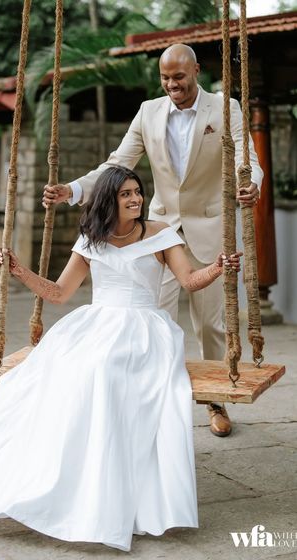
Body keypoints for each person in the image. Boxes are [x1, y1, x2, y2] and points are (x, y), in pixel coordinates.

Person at [0, 166, 241, 552]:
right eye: (126, 194)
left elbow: (189, 280)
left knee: (103, 371)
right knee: (48, 375)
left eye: (138, 192)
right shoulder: (92, 241)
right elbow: (57, 293)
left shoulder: (160, 234)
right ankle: (67, 478)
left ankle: (110, 486)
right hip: (95, 322)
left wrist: (218, 269)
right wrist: (18, 268)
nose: (136, 199)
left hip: (144, 329)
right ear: (109, 199)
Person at [42, 43, 263, 438]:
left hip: (210, 229)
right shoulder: (148, 112)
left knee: (210, 324)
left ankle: (215, 401)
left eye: (179, 76)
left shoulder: (224, 107)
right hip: (159, 231)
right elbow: (117, 164)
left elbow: (245, 158)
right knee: (153, 318)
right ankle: (152, 396)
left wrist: (251, 184)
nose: (172, 85)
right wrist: (72, 189)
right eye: (165, 78)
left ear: (195, 70)